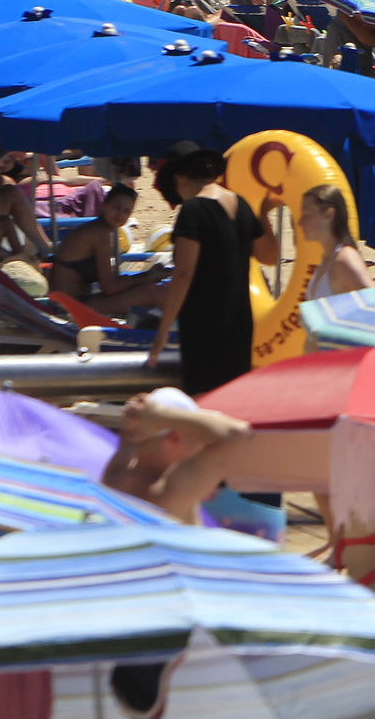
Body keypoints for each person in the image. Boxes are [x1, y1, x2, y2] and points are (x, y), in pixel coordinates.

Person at [145, 143, 271, 395]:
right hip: (240, 320)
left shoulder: (193, 210)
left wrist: (161, 334)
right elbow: (269, 255)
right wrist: (264, 214)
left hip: (204, 323)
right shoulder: (241, 204)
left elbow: (183, 274)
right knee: (232, 400)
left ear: (179, 179)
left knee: (203, 402)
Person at [101, 388, 253, 525]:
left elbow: (130, 436)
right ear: (175, 437)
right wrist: (160, 416)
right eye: (199, 436)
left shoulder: (115, 475)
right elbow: (236, 433)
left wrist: (138, 417)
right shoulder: (168, 490)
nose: (202, 444)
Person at [51, 185, 167, 315]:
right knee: (155, 292)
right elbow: (110, 288)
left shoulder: (99, 229)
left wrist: (147, 275)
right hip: (68, 307)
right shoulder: (100, 234)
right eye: (116, 208)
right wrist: (148, 277)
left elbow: (111, 283)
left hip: (71, 301)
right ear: (104, 205)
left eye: (126, 211)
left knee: (151, 288)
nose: (120, 215)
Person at [299, 184, 371, 300]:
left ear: (328, 214)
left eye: (307, 215)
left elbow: (374, 306)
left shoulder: (345, 260)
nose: (300, 222)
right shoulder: (329, 257)